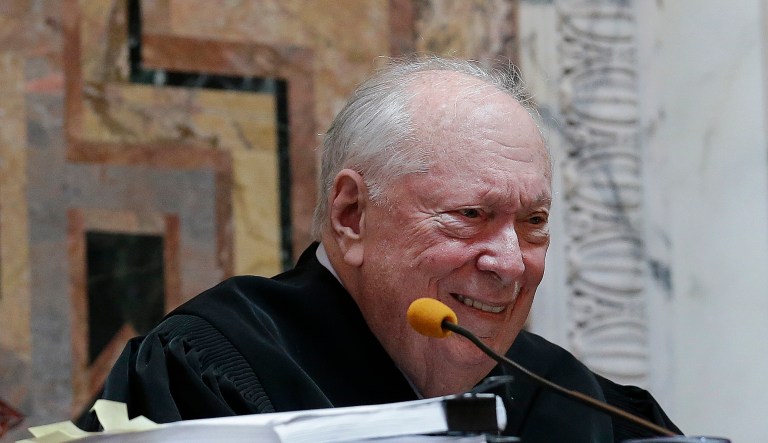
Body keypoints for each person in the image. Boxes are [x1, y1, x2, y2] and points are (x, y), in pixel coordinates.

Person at [80, 56, 680, 442]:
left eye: (534, 222)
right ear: (350, 215)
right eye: (470, 216)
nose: (510, 261)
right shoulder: (212, 367)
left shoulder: (575, 403)